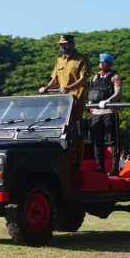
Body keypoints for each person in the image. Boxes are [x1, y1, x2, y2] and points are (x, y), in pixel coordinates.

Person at [38, 34, 90, 168]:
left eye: (65, 44)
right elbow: (55, 79)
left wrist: (69, 88)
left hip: (76, 100)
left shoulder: (82, 59)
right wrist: (46, 88)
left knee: (76, 131)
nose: (62, 46)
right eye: (61, 44)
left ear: (72, 44)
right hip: (62, 102)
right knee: (61, 129)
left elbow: (83, 79)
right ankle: (63, 158)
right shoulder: (59, 60)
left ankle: (77, 162)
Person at [88, 53, 122, 175]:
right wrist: (90, 104)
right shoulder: (95, 77)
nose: (101, 64)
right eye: (100, 62)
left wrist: (108, 101)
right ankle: (100, 167)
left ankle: (115, 168)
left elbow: (118, 93)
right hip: (96, 111)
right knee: (97, 140)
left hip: (109, 110)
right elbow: (92, 91)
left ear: (109, 64)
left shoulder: (115, 77)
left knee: (113, 139)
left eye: (104, 62)